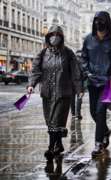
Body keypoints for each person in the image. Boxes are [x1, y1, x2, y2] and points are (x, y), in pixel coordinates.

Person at [27, 25, 83, 161]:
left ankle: (51, 147)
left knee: (56, 120)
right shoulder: (42, 53)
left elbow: (75, 71)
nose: (54, 37)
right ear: (48, 37)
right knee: (50, 121)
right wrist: (31, 85)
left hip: (63, 92)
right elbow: (35, 70)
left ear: (62, 37)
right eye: (52, 34)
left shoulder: (68, 53)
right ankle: (59, 145)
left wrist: (79, 88)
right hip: (47, 92)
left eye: (57, 35)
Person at [81, 11, 111, 157]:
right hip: (92, 82)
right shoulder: (88, 39)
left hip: (107, 83)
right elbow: (84, 59)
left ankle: (98, 143)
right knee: (93, 112)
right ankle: (105, 131)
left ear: (107, 22)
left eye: (100, 20)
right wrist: (87, 72)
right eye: (95, 20)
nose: (97, 23)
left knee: (100, 111)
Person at [70, 50, 85, 120]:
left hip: (70, 81)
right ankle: (78, 114)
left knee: (72, 98)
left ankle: (73, 113)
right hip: (79, 82)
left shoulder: (70, 60)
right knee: (79, 98)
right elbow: (83, 72)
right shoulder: (82, 60)